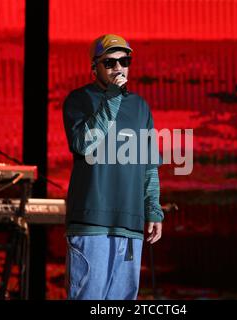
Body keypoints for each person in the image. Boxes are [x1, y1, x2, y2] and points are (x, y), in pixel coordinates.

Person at [62, 34, 164, 300]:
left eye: (124, 60)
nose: (118, 67)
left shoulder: (141, 107)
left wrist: (153, 210)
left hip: (129, 224)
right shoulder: (79, 100)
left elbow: (149, 165)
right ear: (94, 66)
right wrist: (112, 98)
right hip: (92, 222)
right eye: (110, 62)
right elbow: (84, 145)